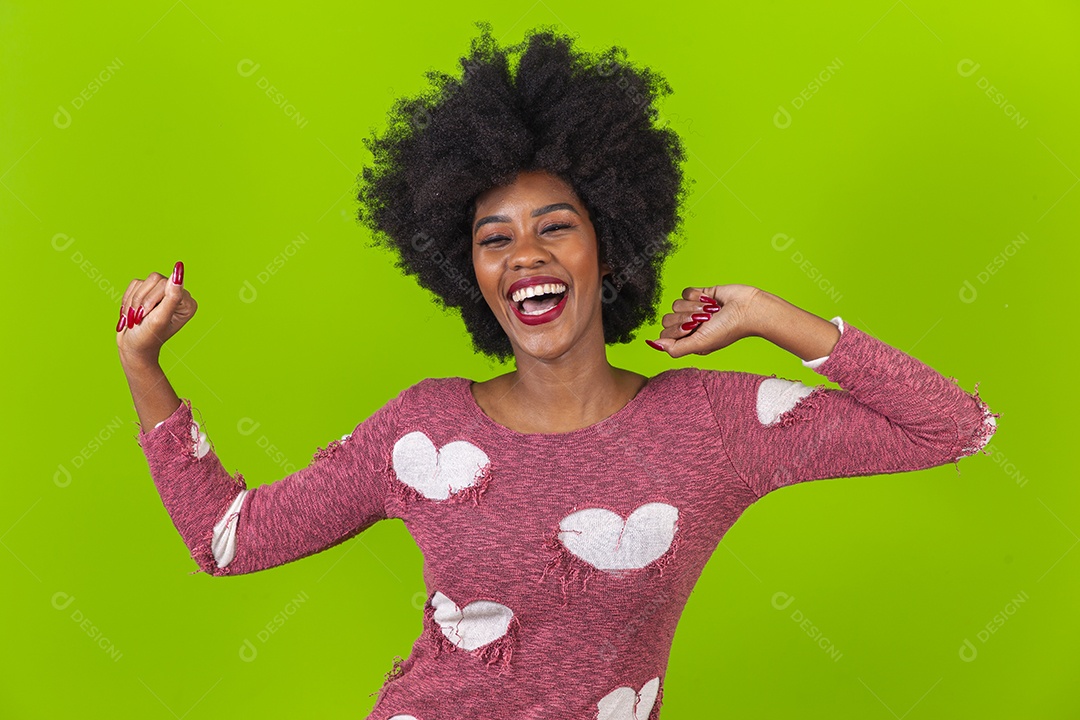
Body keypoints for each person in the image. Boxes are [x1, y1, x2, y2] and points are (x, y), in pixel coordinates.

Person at [117, 23, 999, 720]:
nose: (526, 255)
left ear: (607, 250)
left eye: (556, 226)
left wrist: (770, 316)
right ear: (470, 276)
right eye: (494, 238)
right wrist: (142, 362)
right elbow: (226, 541)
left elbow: (956, 427)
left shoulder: (710, 426)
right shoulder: (422, 429)